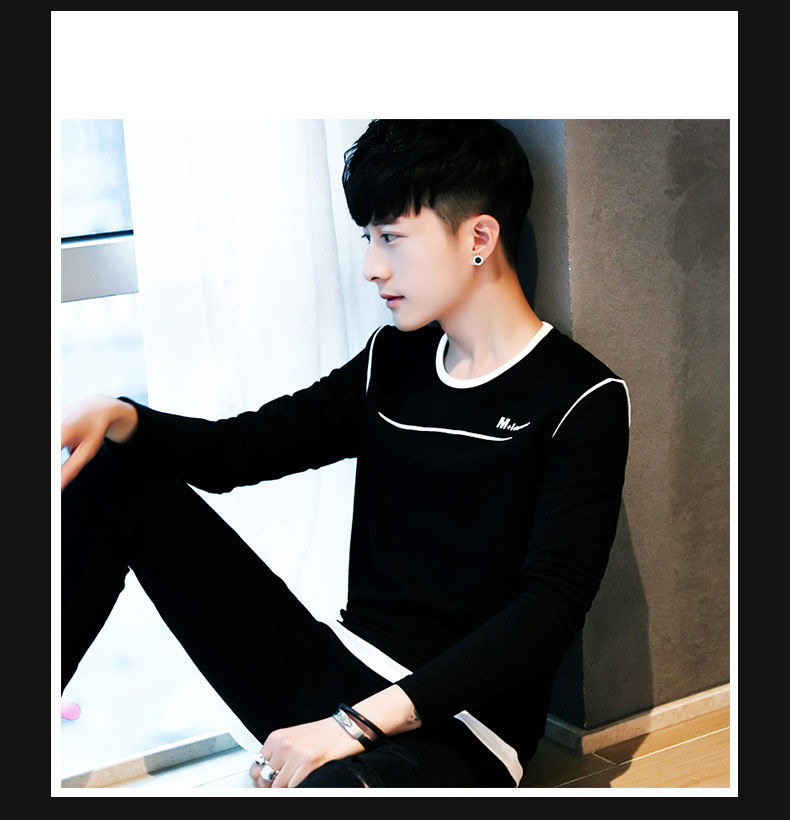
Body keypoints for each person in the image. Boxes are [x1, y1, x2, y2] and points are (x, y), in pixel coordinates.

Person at [60, 120, 630, 789]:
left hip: (462, 726)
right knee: (112, 468)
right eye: (369, 238)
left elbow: (547, 613)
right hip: (335, 671)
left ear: (479, 237)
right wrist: (127, 418)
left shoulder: (582, 397)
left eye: (391, 237)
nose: (372, 267)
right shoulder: (394, 360)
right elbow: (239, 452)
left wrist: (352, 726)